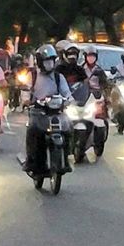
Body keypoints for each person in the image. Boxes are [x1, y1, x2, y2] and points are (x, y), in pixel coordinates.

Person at [23, 44, 72, 177]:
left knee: (68, 128)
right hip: (38, 112)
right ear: (40, 62)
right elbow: (26, 91)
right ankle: (31, 161)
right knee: (33, 131)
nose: (49, 64)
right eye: (46, 61)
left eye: (51, 61)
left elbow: (67, 93)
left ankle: (66, 158)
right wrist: (27, 100)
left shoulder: (58, 77)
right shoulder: (32, 76)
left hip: (56, 112)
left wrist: (68, 100)